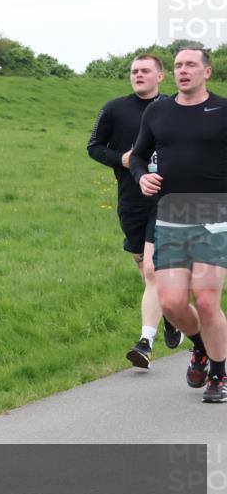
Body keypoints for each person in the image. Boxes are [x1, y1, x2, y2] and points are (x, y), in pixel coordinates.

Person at [131, 47, 227, 403]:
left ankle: (219, 373)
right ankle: (201, 348)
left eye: (190, 65)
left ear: (207, 72)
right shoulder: (158, 112)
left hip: (215, 215)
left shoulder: (223, 110)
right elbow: (139, 155)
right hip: (172, 215)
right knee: (171, 303)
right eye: (177, 66)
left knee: (205, 301)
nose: (182, 71)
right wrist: (141, 176)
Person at [87, 54, 181, 369]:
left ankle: (144, 343)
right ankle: (171, 314)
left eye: (144, 71)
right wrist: (122, 160)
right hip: (131, 197)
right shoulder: (114, 109)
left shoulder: (173, 108)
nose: (138, 75)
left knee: (153, 269)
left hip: (165, 198)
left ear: (160, 76)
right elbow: (94, 146)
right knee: (144, 268)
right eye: (134, 71)